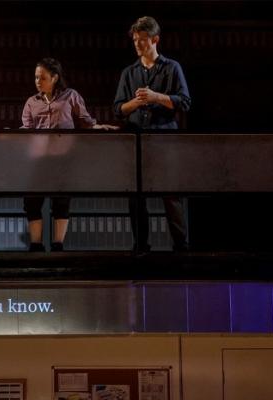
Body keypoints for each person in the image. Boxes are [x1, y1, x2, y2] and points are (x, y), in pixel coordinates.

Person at [113, 16, 191, 253]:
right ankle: (141, 246)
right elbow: (118, 109)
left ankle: (181, 246)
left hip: (164, 140)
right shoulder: (129, 73)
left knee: (170, 194)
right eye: (135, 40)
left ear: (155, 40)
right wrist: (135, 102)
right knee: (136, 196)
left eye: (143, 40)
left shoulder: (171, 68)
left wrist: (156, 96)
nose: (138, 44)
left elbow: (185, 102)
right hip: (136, 141)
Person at [21, 58, 116, 252]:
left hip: (62, 158)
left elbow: (84, 121)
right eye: (36, 77)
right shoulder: (32, 101)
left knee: (61, 201)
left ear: (55, 77)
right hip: (38, 159)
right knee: (32, 200)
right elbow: (27, 129)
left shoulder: (70, 96)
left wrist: (98, 127)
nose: (38, 81)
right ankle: (36, 245)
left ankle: (58, 244)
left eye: (43, 77)